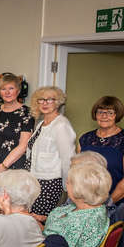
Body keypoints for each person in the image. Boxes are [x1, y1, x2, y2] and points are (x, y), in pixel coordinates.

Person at [43, 162, 111, 247]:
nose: (66, 185)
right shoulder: (98, 209)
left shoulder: (79, 223)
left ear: (79, 190)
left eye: (68, 182)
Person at [0, 73, 35, 220]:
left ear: (18, 91)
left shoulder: (27, 113)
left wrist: (3, 166)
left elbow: (23, 145)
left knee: (10, 211)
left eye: (11, 88)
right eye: (4, 89)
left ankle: (8, 242)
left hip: (12, 168)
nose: (8, 92)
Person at [27, 86, 76, 221]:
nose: (44, 103)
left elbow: (68, 158)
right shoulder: (41, 123)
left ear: (58, 102)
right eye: (41, 100)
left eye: (50, 100)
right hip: (34, 180)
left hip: (49, 183)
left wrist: (68, 186)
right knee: (32, 219)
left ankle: (43, 243)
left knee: (40, 221)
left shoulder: (61, 125)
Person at [78, 96, 124, 207]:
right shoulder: (85, 139)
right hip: (87, 203)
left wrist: (105, 204)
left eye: (110, 113)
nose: (104, 116)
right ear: (95, 114)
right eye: (100, 112)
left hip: (117, 204)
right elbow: (77, 173)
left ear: (117, 115)